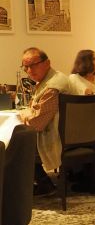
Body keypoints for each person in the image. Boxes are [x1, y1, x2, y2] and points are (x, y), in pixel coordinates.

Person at [18, 47, 71, 195]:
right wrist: (30, 112)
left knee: (16, 143)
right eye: (26, 67)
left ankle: (43, 183)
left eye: (33, 65)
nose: (29, 70)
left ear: (47, 63)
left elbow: (37, 123)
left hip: (59, 137)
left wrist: (23, 114)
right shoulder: (53, 78)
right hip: (69, 134)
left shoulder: (53, 86)